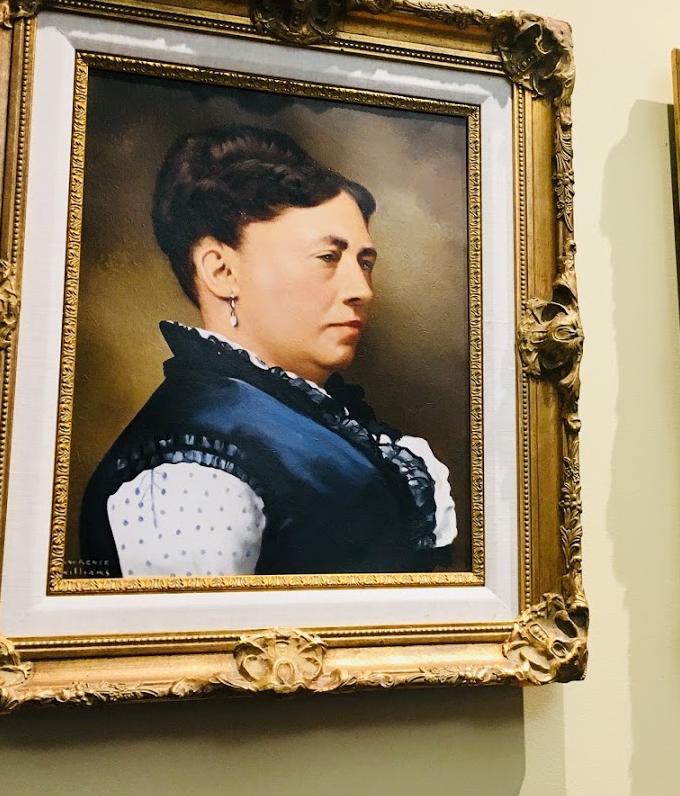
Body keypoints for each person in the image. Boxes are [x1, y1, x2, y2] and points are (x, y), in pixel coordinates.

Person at [79, 124, 457, 578]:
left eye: (365, 262)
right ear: (221, 271)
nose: (362, 290)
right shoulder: (187, 474)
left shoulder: (312, 419)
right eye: (328, 257)